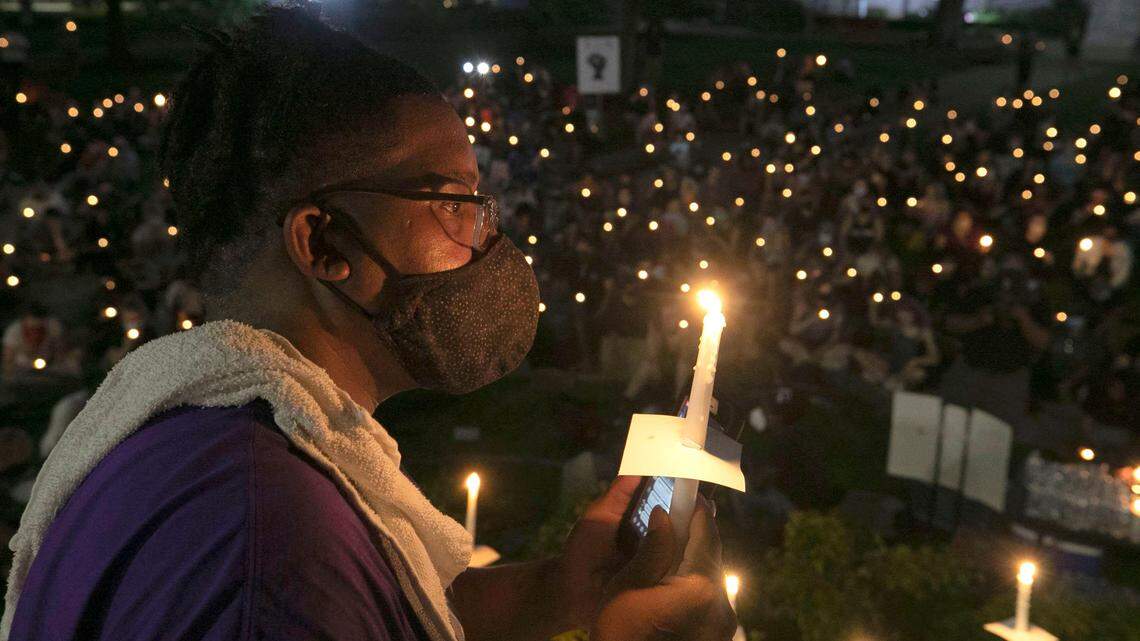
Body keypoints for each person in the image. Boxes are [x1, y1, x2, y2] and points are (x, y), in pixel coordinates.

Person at [3, 6, 735, 641]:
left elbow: (393, 609)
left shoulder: (217, 449)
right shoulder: (265, 547)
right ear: (325, 245)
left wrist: (562, 591)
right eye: (454, 203)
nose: (486, 240)